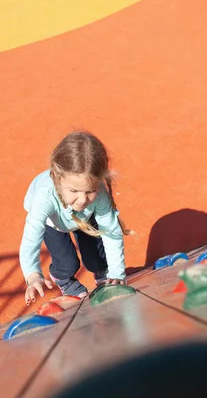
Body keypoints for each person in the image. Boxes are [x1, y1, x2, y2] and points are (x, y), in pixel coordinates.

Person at [19, 130, 132, 305]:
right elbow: (30, 240)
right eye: (73, 191)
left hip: (85, 218)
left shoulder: (99, 195)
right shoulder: (44, 198)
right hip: (55, 223)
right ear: (58, 179)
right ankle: (63, 280)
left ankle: (103, 272)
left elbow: (111, 231)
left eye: (90, 191)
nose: (82, 200)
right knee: (67, 264)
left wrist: (117, 273)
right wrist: (33, 275)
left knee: (97, 261)